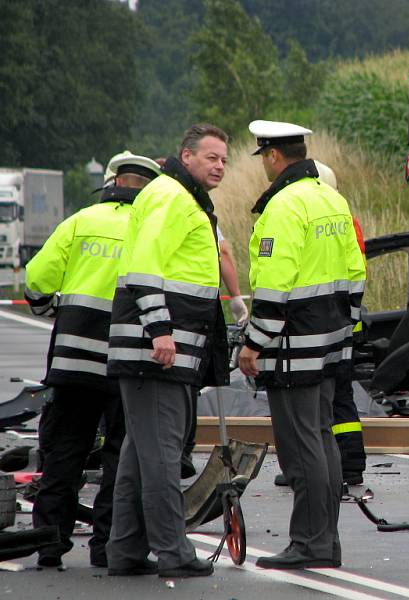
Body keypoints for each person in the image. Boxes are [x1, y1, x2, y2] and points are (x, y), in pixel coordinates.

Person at [24, 152, 162, 569]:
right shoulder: (151, 229)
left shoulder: (81, 222)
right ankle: (107, 545)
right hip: (127, 362)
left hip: (72, 362)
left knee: (63, 451)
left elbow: (36, 280)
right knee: (119, 457)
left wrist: (52, 308)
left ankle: (50, 543)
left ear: (113, 181)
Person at [239, 120, 366, 570]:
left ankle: (308, 544)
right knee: (322, 438)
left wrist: (254, 343)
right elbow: (356, 273)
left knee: (300, 447)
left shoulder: (283, 206)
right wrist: (345, 329)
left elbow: (274, 286)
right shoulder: (331, 198)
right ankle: (325, 541)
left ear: (273, 156)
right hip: (331, 343)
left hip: (294, 347)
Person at [105, 123, 230, 578]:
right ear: (187, 155)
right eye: (211, 157)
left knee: (140, 458)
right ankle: (173, 552)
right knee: (160, 459)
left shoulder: (179, 197)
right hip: (157, 354)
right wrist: (160, 331)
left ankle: (125, 551)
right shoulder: (173, 196)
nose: (219, 165)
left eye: (224, 159)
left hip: (161, 355)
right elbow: (143, 267)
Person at [273, 160, 367, 488]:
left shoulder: (313, 216)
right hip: (341, 322)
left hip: (317, 327)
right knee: (337, 401)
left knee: (323, 409)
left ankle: (330, 468)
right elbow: (355, 272)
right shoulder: (342, 218)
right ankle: (348, 465)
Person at [180, 225, 247, 479]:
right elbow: (223, 255)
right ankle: (182, 449)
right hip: (196, 312)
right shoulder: (198, 212)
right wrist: (236, 297)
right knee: (187, 381)